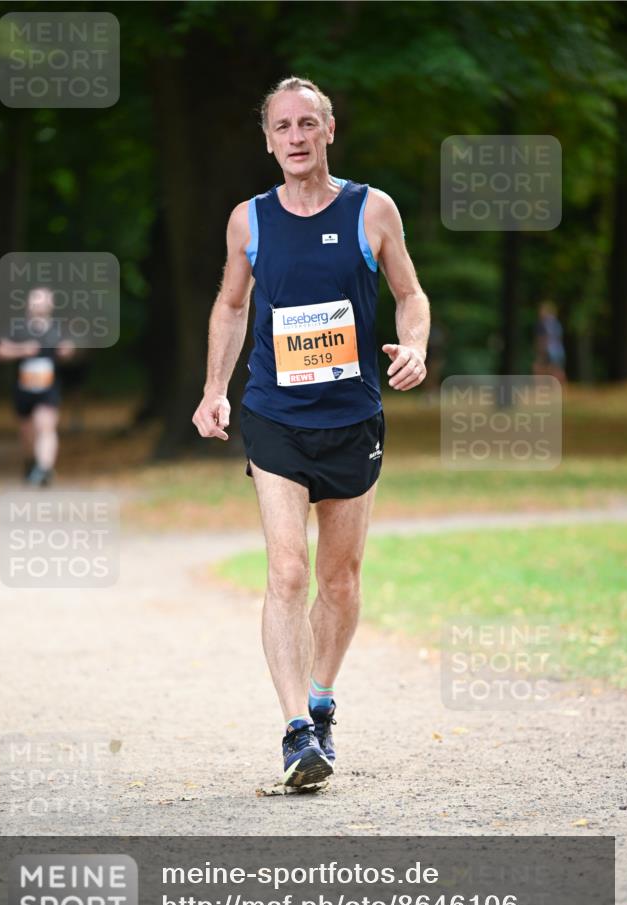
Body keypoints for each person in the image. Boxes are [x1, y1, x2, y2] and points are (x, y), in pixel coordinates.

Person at [192, 77, 430, 788]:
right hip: (275, 416)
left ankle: (321, 697)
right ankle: (297, 731)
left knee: (340, 577)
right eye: (281, 127)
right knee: (288, 571)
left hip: (352, 418)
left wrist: (413, 344)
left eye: (307, 124)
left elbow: (410, 294)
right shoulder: (250, 220)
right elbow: (231, 308)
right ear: (267, 140)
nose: (294, 137)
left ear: (328, 131)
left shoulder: (371, 210)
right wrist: (213, 390)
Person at [0, 286, 75, 486]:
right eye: (37, 299)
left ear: (52, 304)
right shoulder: (18, 327)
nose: (41, 303)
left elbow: (70, 347)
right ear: (29, 303)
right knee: (27, 432)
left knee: (46, 427)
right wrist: (22, 350)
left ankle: (45, 469)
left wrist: (67, 351)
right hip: (24, 388)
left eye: (45, 299)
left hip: (48, 388)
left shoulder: (58, 327)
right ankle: (32, 462)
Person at [533, 300, 566, 384]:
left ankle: (539, 385)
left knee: (538, 367)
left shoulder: (544, 324)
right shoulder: (556, 323)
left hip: (548, 349)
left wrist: (541, 349)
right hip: (558, 349)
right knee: (556, 369)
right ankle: (562, 387)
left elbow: (543, 339)